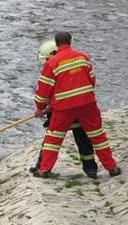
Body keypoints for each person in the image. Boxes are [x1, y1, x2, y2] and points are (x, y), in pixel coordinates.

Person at [33, 31, 121, 178]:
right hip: (87, 105)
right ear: (70, 41)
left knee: (53, 139)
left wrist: (40, 109)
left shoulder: (52, 63)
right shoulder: (83, 57)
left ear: (56, 44)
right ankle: (112, 168)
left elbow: (42, 92)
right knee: (98, 137)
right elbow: (92, 80)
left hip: (63, 108)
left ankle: (44, 170)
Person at [30, 40, 99, 179]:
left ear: (53, 53)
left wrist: (41, 108)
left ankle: (42, 167)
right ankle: (91, 169)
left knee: (51, 140)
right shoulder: (75, 63)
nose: (45, 62)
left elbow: (45, 91)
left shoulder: (53, 67)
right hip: (78, 108)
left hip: (62, 111)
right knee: (83, 139)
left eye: (46, 58)